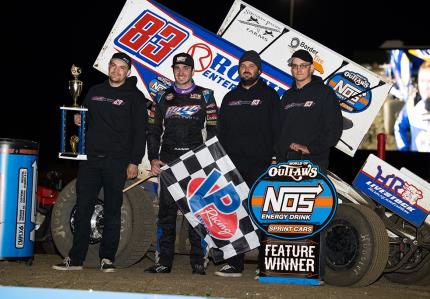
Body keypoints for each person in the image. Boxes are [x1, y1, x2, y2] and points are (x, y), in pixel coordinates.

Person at [52, 52, 148, 272]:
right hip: (90, 160)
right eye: (113, 66)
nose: (116, 71)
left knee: (113, 211)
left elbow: (140, 132)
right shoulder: (95, 92)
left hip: (117, 162)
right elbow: (85, 121)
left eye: (121, 67)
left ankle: (107, 259)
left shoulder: (135, 96)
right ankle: (75, 259)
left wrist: (134, 162)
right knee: (83, 208)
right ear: (109, 68)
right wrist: (79, 120)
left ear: (128, 71)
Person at [144, 52, 218, 275]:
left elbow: (214, 130)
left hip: (196, 161)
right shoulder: (162, 97)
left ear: (192, 71)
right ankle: (163, 262)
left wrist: (210, 158)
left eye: (186, 68)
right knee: (166, 214)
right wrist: (153, 158)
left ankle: (198, 261)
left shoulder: (206, 95)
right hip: (168, 162)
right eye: (177, 68)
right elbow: (153, 131)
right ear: (173, 71)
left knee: (197, 212)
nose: (181, 71)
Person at [215, 50, 280, 277]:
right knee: (233, 213)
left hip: (261, 164)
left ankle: (266, 265)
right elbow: (221, 132)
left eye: (251, 66)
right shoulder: (229, 97)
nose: (247, 69)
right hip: (232, 165)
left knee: (263, 213)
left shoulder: (270, 96)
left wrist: (274, 157)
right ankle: (234, 263)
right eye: (243, 65)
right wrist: (219, 161)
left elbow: (277, 130)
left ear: (259, 71)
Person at [277, 49, 343, 170]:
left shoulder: (325, 93)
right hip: (284, 162)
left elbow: (335, 128)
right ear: (291, 69)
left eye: (303, 65)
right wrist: (275, 154)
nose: (298, 69)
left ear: (311, 68)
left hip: (311, 163)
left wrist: (310, 149)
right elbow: (279, 128)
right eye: (295, 66)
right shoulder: (287, 96)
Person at [394, 61, 430, 152]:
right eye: (422, 81)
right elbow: (399, 128)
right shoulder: (412, 103)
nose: (425, 86)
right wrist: (404, 150)